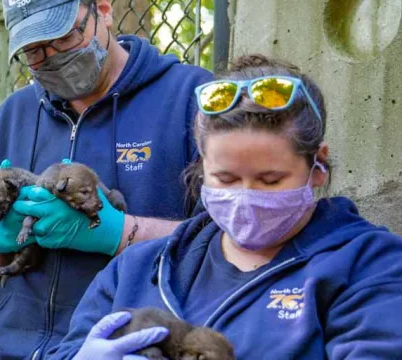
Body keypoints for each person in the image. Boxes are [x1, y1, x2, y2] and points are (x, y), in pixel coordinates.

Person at [47, 54, 402, 359]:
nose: (246, 196)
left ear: (317, 167)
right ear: (202, 166)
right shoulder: (137, 269)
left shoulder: (369, 265)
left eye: (270, 180)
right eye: (227, 179)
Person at [0, 0, 213, 358]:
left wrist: (120, 233)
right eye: (33, 50)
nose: (51, 57)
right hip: (12, 350)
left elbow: (230, 245)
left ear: (103, 9)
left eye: (64, 38)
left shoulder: (190, 98)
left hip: (128, 346)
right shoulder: (14, 114)